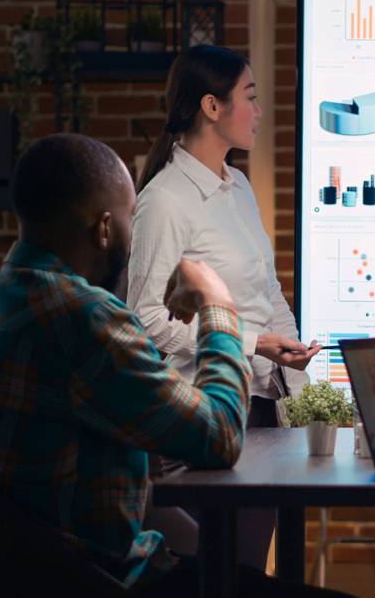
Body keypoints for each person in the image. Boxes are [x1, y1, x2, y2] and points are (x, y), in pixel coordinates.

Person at [0, 134, 349, 598]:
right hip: (100, 582)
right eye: (130, 218)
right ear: (103, 229)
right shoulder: (86, 319)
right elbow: (218, 437)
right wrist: (217, 305)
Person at [127, 46, 320, 567]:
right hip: (200, 416)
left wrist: (301, 395)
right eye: (250, 98)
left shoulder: (238, 186)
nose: (258, 112)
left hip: (260, 413)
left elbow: (269, 292)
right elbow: (144, 321)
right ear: (212, 107)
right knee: (215, 577)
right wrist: (252, 342)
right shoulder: (165, 199)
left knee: (248, 570)